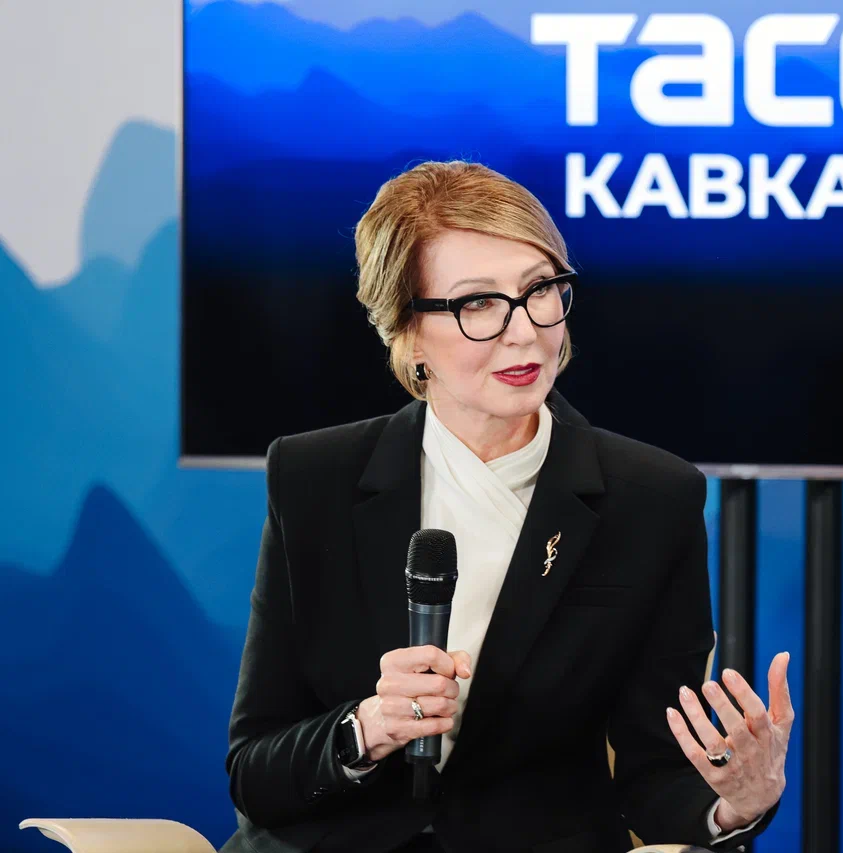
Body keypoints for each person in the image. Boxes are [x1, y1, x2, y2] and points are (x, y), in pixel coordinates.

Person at [221, 161, 791, 853]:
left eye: (540, 290)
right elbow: (254, 772)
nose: (524, 332)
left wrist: (736, 804)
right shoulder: (315, 477)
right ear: (408, 329)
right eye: (478, 304)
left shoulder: (651, 497)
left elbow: (654, 775)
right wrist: (364, 729)